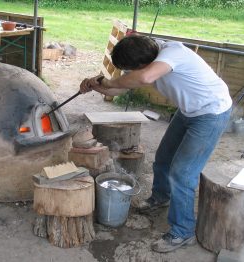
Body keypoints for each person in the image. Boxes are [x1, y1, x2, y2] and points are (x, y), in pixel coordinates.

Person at [80, 34, 232, 253]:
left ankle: (183, 231)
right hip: (188, 110)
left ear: (143, 64)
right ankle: (160, 198)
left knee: (182, 174)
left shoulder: (173, 52)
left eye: (133, 69)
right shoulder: (146, 54)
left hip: (211, 112)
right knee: (163, 160)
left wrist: (110, 82)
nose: (131, 73)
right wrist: (96, 86)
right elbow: (120, 88)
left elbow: (144, 78)